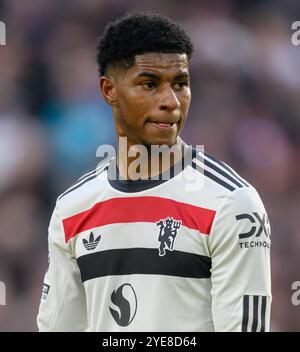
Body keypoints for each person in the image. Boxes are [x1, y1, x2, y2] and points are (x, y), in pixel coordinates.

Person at [37, 12, 272, 332]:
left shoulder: (232, 204)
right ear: (109, 91)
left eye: (180, 84)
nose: (171, 102)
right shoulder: (73, 208)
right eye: (149, 84)